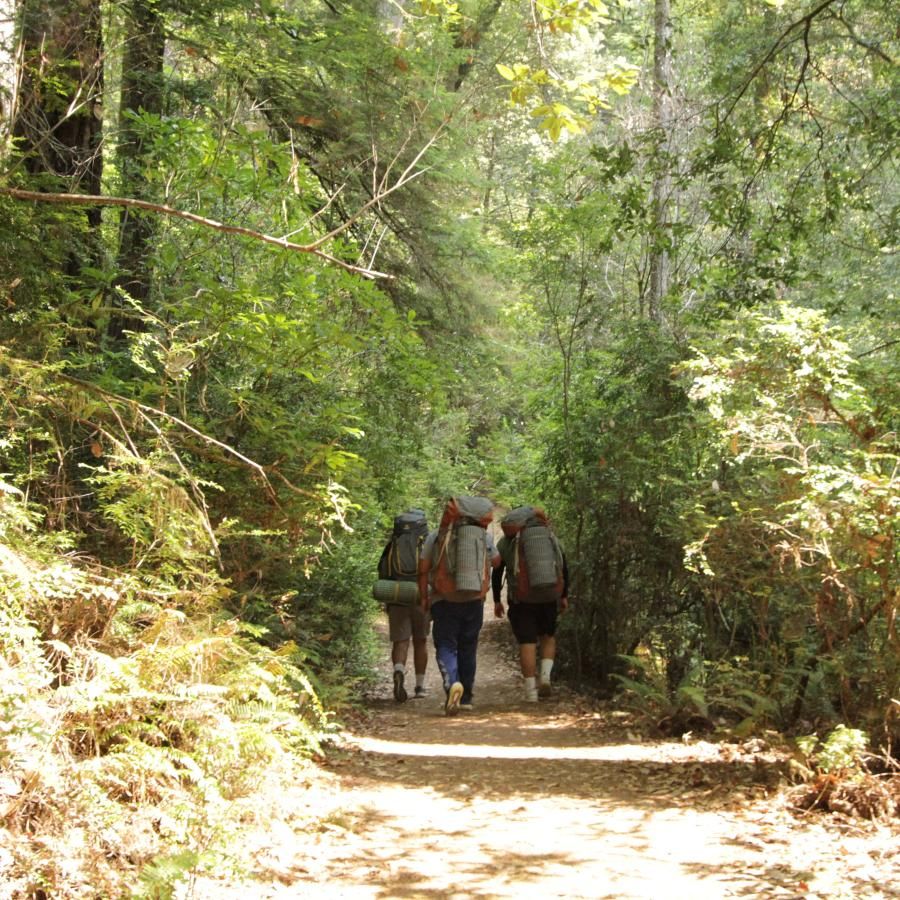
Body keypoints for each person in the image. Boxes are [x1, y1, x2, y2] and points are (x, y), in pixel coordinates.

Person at [417, 497, 500, 716]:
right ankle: (467, 698)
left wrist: (423, 597)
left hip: (443, 600)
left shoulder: (437, 536)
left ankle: (452, 683)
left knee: (445, 644)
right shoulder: (484, 537)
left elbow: (423, 568)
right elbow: (498, 561)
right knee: (468, 646)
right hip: (473, 601)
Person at [491, 506, 569, 703]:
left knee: (527, 642)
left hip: (522, 599)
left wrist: (497, 600)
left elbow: (497, 571)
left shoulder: (509, 542)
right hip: (549, 596)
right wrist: (564, 595)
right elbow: (563, 565)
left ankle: (531, 692)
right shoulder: (550, 537)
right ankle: (545, 678)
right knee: (548, 637)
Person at [377, 510, 431, 702]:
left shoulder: (393, 545)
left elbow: (383, 571)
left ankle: (399, 670)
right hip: (420, 596)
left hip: (397, 596)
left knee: (401, 641)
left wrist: (388, 599)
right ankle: (420, 686)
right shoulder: (426, 544)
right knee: (420, 640)